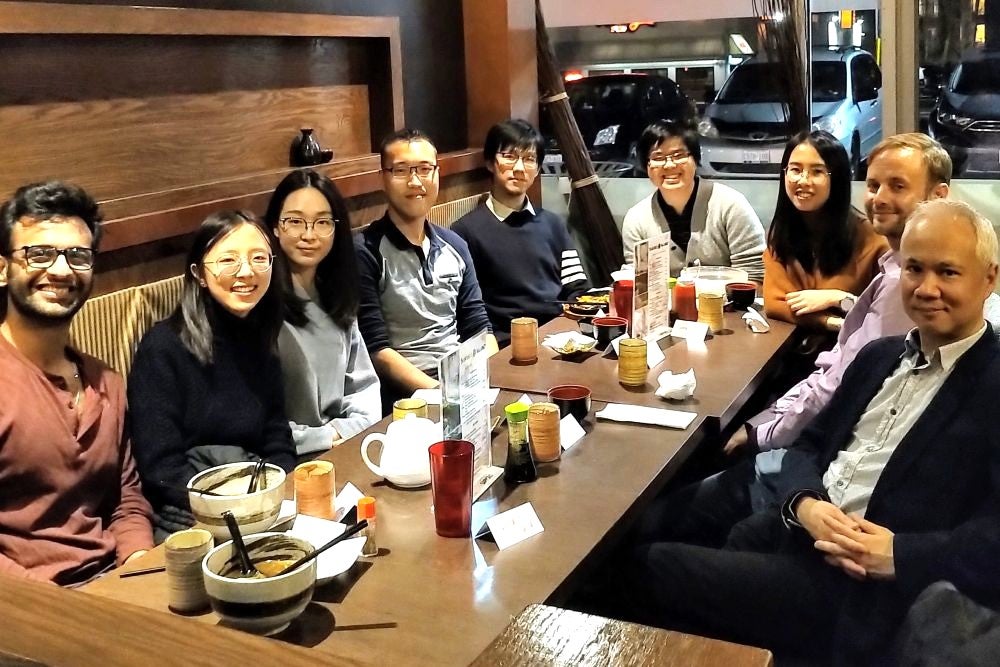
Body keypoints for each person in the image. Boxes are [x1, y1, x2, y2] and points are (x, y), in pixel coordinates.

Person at [619, 199, 1000, 664]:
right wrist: (804, 502)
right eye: (915, 268)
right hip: (803, 528)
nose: (926, 287)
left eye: (948, 273)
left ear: (990, 278)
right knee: (707, 539)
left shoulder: (991, 382)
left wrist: (900, 554)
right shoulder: (880, 356)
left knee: (648, 567)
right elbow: (810, 444)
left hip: (861, 585)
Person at [0, 181, 153, 584]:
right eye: (40, 253)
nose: (61, 269)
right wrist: (57, 608)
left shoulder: (107, 383)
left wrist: (140, 566)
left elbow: (126, 498)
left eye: (78, 256)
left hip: (112, 582)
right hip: (24, 608)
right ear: (3, 268)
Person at [128, 210, 296, 541]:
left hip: (260, 501)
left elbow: (278, 438)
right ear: (199, 274)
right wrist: (232, 507)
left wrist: (278, 491)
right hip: (190, 515)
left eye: (259, 258)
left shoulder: (261, 338)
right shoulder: (162, 349)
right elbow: (161, 468)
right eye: (228, 261)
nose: (246, 272)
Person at [356, 129, 496, 409]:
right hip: (406, 398)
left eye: (424, 169)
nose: (415, 181)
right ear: (382, 178)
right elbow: (377, 350)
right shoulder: (364, 251)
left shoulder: (455, 244)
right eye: (401, 170)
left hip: (462, 382)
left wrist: (483, 378)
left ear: (437, 174)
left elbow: (479, 327)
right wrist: (441, 391)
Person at [266, 169, 380, 455]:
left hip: (344, 443)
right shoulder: (259, 302)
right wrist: (320, 438)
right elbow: (253, 421)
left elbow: (363, 388)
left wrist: (342, 431)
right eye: (294, 221)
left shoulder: (336, 295)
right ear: (275, 227)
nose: (309, 234)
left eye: (322, 222)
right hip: (288, 457)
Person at [451, 119, 590, 344]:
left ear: (537, 170)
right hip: (505, 343)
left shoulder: (553, 224)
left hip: (561, 338)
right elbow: (467, 307)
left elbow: (577, 289)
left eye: (529, 159)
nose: (519, 168)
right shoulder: (464, 232)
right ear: (489, 162)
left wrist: (570, 331)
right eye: (509, 156)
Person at [763, 130, 889, 331]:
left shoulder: (872, 238)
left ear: (837, 179)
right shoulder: (781, 232)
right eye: (795, 170)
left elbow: (885, 313)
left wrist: (838, 299)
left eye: (817, 172)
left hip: (856, 350)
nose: (804, 181)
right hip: (797, 347)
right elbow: (775, 304)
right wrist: (832, 322)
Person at [620, 120, 765, 282]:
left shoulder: (730, 205)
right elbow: (641, 285)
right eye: (658, 157)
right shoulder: (637, 219)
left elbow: (755, 276)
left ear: (695, 159)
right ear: (647, 166)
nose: (669, 165)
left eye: (679, 155)